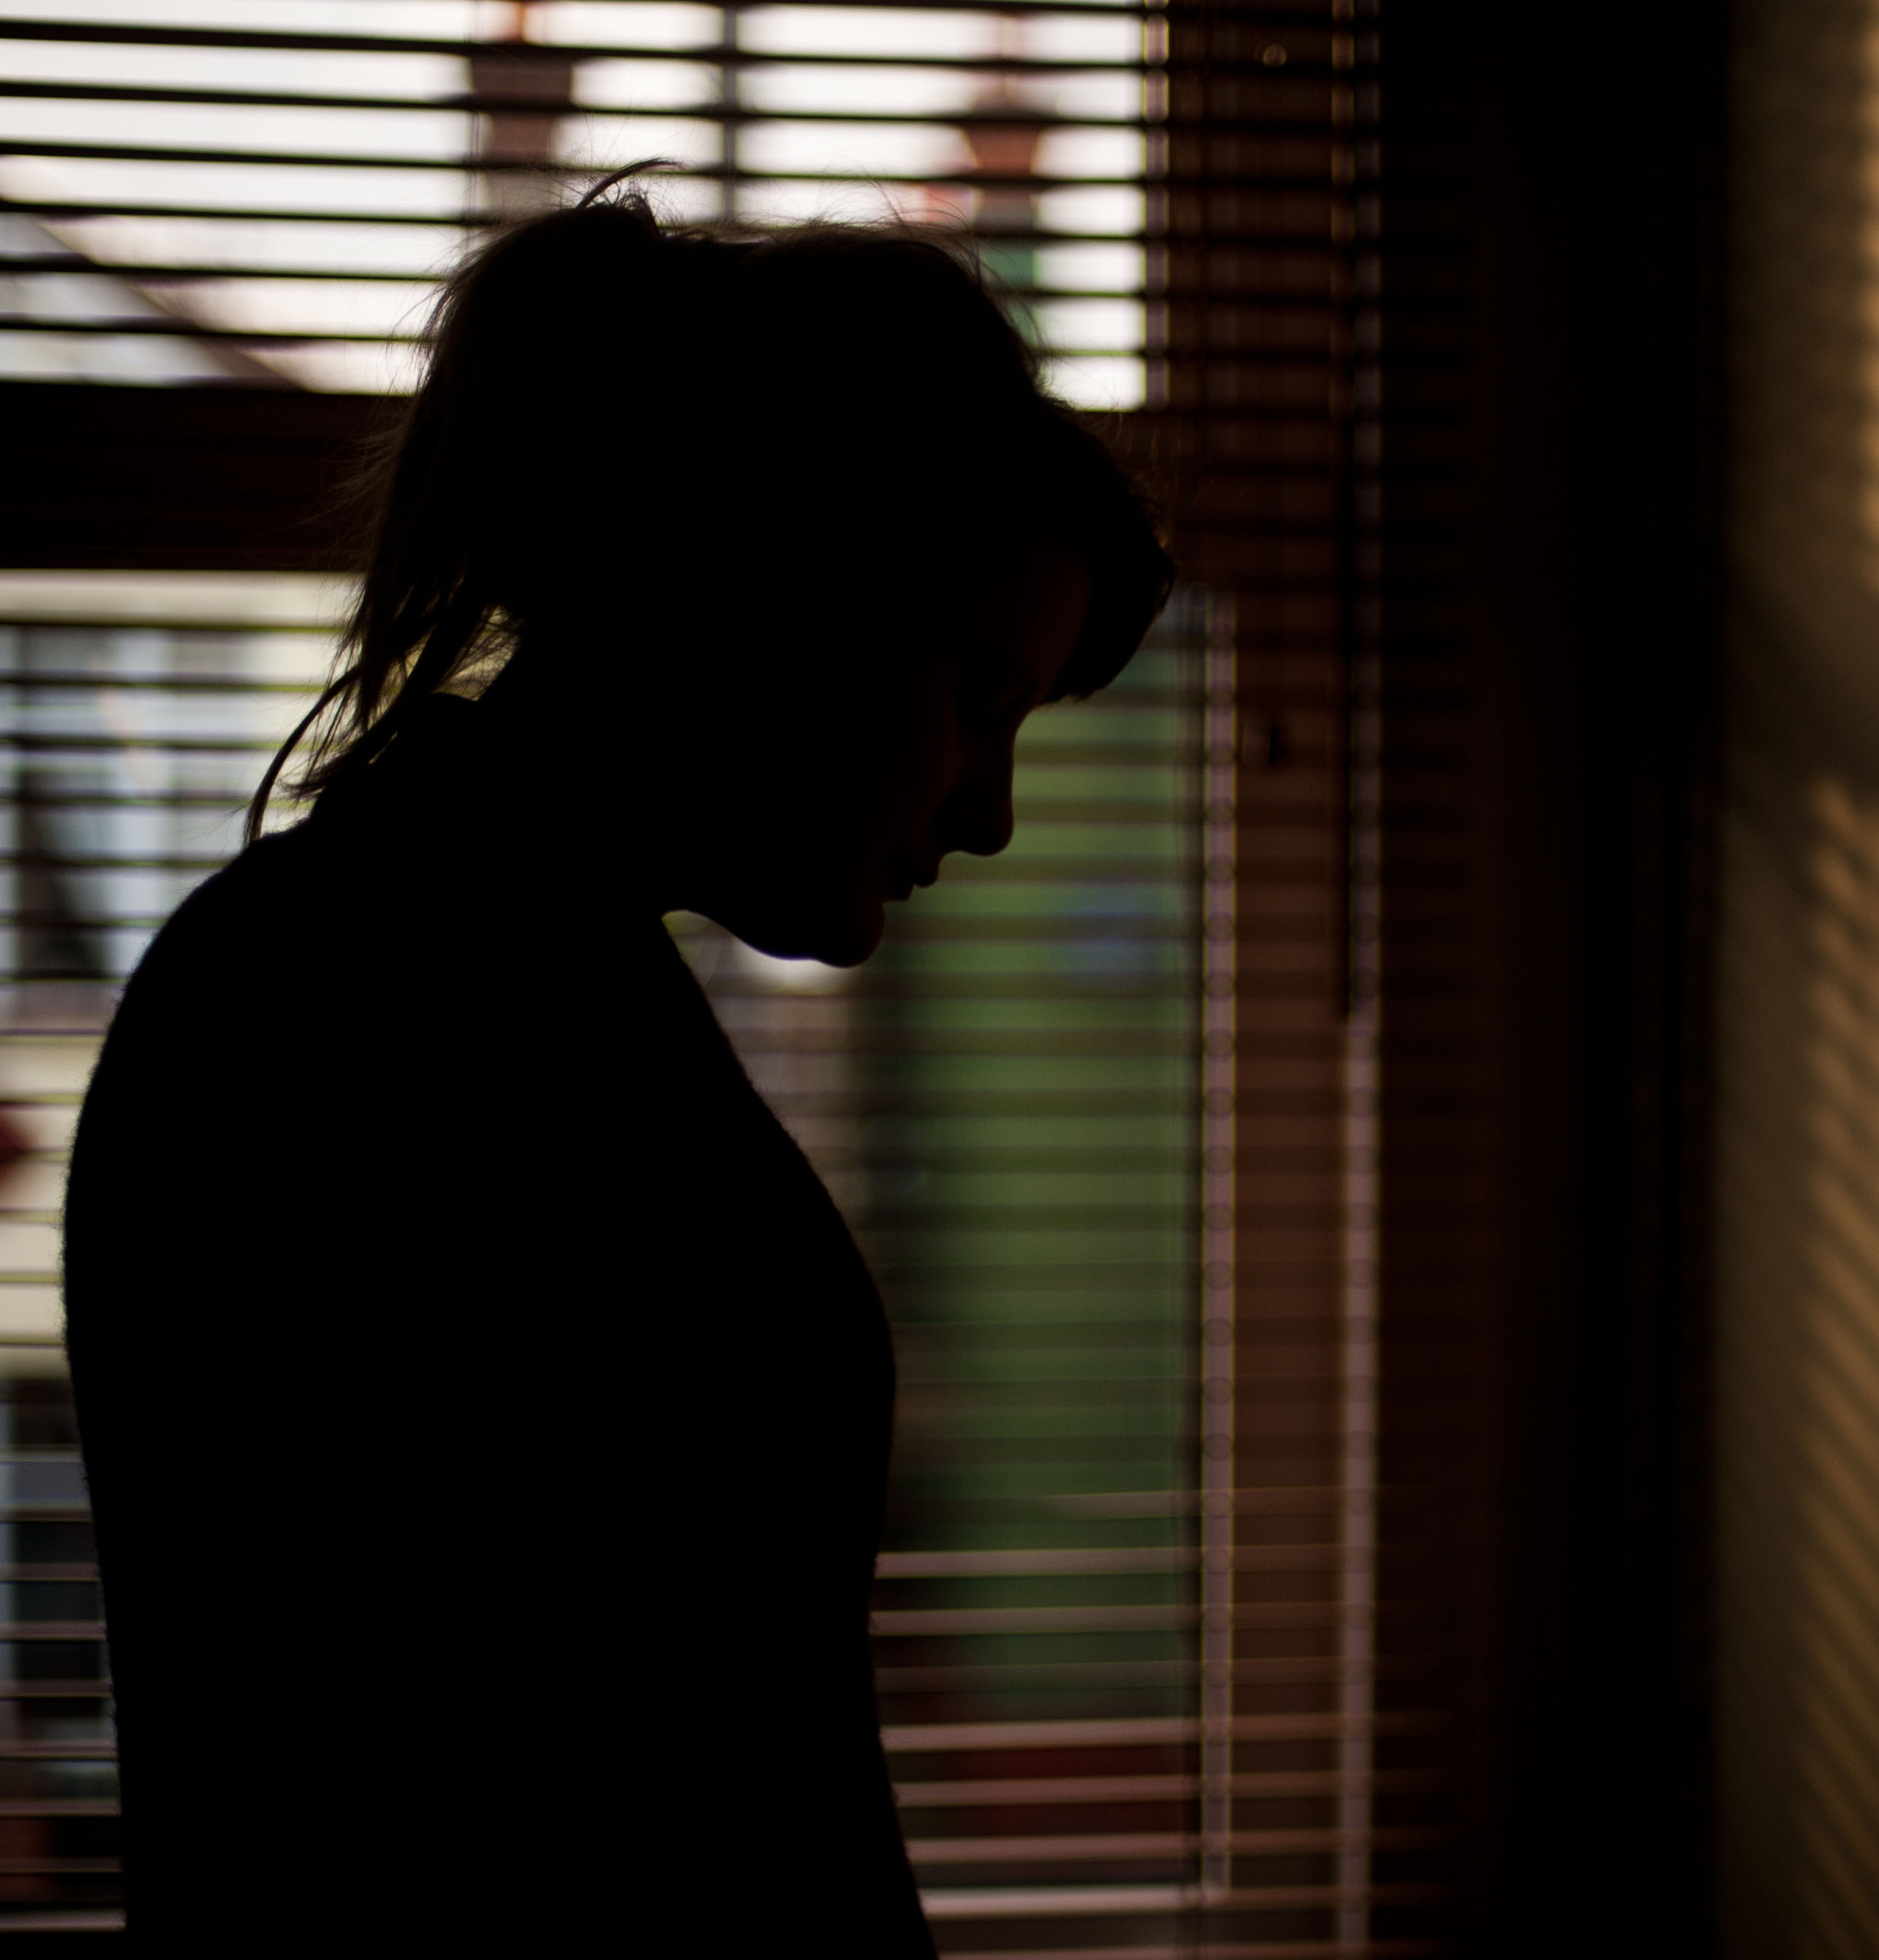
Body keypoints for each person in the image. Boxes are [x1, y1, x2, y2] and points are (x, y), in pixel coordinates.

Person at [61, 186, 1173, 1950]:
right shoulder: (395, 1022)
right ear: (778, 598)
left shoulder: (473, 966)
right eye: (978, 693)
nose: (990, 811)